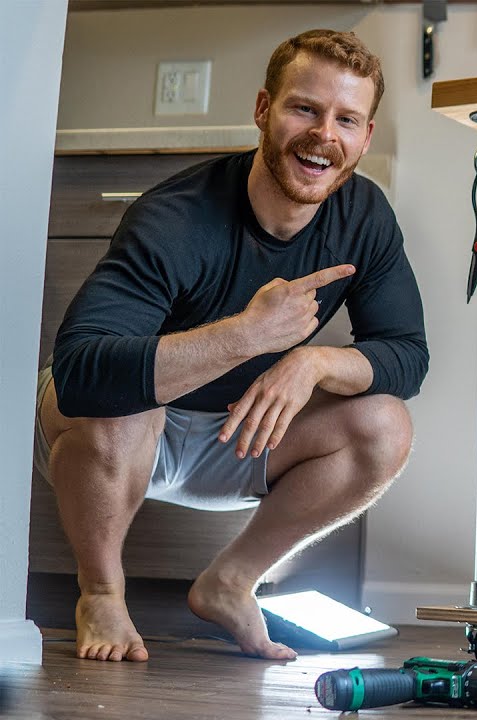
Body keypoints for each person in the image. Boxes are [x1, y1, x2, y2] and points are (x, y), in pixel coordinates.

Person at [33, 29, 428, 663]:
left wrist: (313, 360)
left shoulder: (364, 216)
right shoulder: (177, 216)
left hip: (240, 436)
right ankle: (100, 591)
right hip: (126, 434)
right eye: (305, 108)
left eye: (345, 119)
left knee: (386, 425)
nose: (323, 135)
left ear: (365, 136)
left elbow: (408, 354)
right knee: (123, 394)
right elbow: (79, 372)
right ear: (263, 109)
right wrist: (247, 335)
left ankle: (230, 583)